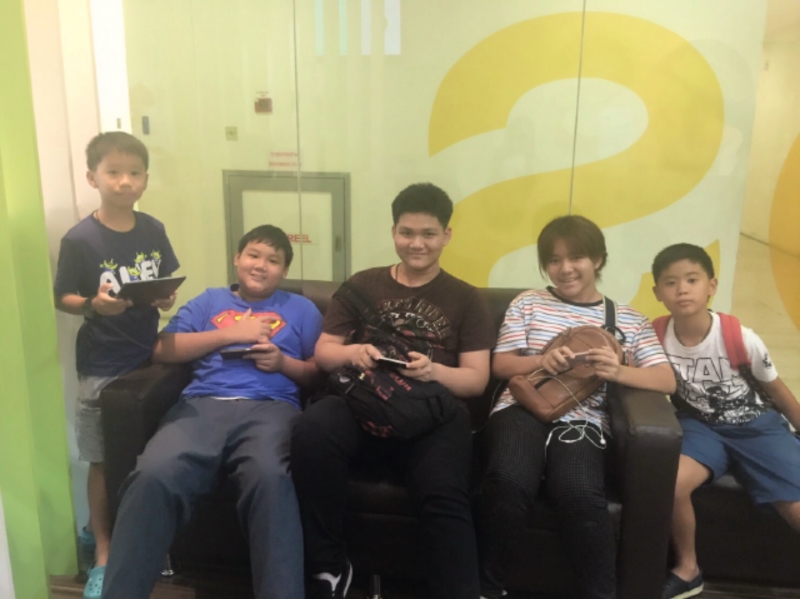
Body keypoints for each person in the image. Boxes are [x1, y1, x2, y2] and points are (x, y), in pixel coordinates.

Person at [291, 183, 496, 599]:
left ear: (446, 236)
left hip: (433, 415)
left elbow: (476, 380)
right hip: (362, 402)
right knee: (312, 431)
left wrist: (434, 371)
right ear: (393, 232)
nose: (416, 243)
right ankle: (329, 566)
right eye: (407, 233)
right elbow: (324, 353)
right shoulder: (362, 284)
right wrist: (354, 352)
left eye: (428, 234)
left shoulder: (466, 298)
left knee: (443, 492)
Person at [100, 224, 323, 599]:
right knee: (153, 475)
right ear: (237, 258)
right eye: (253, 255)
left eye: (273, 260)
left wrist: (283, 363)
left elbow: (319, 373)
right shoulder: (209, 301)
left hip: (271, 410)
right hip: (201, 405)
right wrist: (232, 333)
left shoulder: (301, 309)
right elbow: (162, 349)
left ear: (285, 270)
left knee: (270, 479)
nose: (261, 265)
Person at [479, 215, 676, 599]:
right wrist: (542, 361)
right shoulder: (528, 303)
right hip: (520, 408)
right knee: (509, 480)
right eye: (554, 260)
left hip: (583, 420)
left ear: (597, 259)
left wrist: (617, 371)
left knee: (579, 493)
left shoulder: (628, 320)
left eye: (577, 257)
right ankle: (488, 587)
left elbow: (666, 380)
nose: (565, 268)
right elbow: (501, 365)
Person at [53, 131, 180, 599]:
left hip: (150, 357)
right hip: (103, 363)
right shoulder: (80, 239)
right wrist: (93, 304)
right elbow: (62, 297)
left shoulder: (153, 229)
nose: (125, 181)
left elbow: (165, 282)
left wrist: (165, 296)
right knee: (103, 460)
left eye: (134, 173)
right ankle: (104, 554)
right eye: (113, 172)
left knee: (141, 454)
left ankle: (111, 531)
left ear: (145, 178)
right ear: (93, 178)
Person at [651, 243, 800, 599]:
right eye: (671, 282)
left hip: (758, 427)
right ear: (657, 293)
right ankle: (688, 569)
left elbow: (776, 389)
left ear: (711, 286)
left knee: (794, 506)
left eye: (692, 279)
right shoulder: (656, 336)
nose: (682, 289)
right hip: (701, 427)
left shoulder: (740, 337)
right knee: (672, 483)